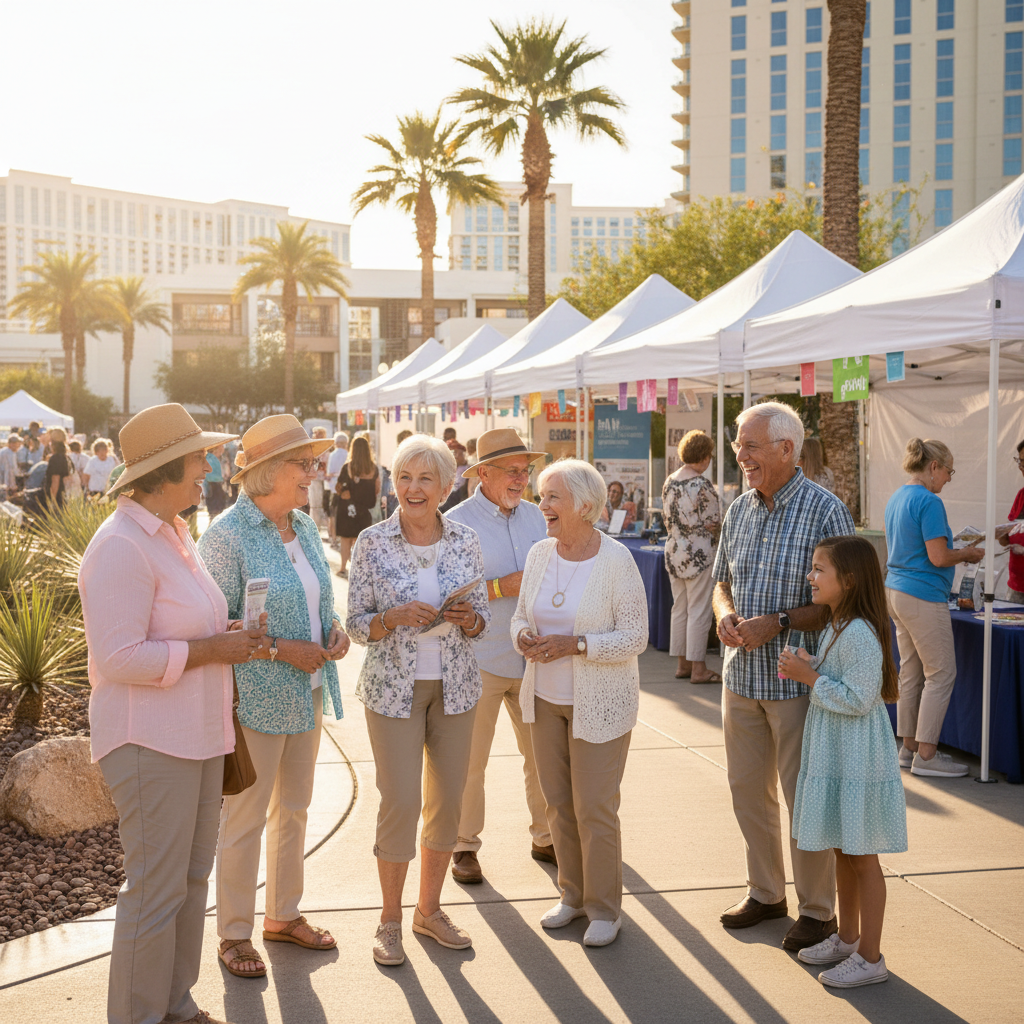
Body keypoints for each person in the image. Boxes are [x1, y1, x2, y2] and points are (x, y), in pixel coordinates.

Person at [78, 403, 259, 1024]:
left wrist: (225, 632)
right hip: (150, 743)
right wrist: (212, 648)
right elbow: (119, 656)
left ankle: (175, 1005)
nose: (210, 465)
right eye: (199, 457)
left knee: (188, 886)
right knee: (155, 893)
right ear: (163, 472)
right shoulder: (121, 545)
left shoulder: (173, 533)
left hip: (200, 738)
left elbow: (182, 627)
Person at [198, 414, 349, 979]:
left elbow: (318, 599)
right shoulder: (225, 537)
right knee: (245, 817)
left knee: (295, 809)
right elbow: (218, 630)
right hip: (255, 696)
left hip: (307, 690)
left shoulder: (305, 527)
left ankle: (283, 915)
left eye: (314, 462)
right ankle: (234, 934)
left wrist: (332, 629)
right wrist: (281, 649)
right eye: (304, 463)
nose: (315, 471)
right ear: (265, 472)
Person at [712, 401, 855, 951]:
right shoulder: (740, 509)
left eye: (749, 445)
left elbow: (845, 597)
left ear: (786, 449)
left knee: (805, 799)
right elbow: (722, 580)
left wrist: (781, 622)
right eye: (737, 446)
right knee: (748, 792)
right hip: (740, 677)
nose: (740, 456)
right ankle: (766, 892)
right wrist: (726, 615)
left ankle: (818, 912)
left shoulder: (825, 511)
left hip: (797, 681)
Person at [345, 434, 489, 967]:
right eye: (404, 477)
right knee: (401, 800)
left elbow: (481, 616)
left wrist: (469, 619)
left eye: (425, 478)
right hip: (392, 691)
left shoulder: (466, 539)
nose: (412, 488)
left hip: (456, 687)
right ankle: (389, 921)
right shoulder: (372, 542)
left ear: (447, 486)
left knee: (447, 803)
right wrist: (390, 619)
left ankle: (429, 911)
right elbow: (355, 623)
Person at [512, 459, 648, 948]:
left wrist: (578, 645)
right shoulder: (540, 554)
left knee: (594, 807)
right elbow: (521, 617)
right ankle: (572, 896)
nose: (541, 505)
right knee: (558, 804)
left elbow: (636, 636)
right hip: (545, 698)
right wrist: (524, 636)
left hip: (601, 703)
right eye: (541, 496)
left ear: (584, 506)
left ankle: (605, 909)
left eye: (552, 497)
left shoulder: (615, 561)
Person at [779, 535, 906, 988]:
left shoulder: (860, 633)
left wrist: (809, 675)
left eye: (818, 570)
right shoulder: (838, 625)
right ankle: (848, 938)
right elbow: (843, 680)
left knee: (861, 856)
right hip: (838, 753)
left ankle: (870, 958)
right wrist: (811, 663)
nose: (809, 577)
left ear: (848, 581)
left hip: (856, 758)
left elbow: (858, 698)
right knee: (842, 848)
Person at [445, 428, 552, 884]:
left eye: (525, 471)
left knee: (543, 757)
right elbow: (447, 595)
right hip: (480, 657)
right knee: (471, 761)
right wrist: (499, 587)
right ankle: (464, 845)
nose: (521, 479)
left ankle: (547, 836)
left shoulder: (540, 517)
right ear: (482, 473)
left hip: (535, 659)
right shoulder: (454, 523)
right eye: (511, 471)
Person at [884, 437, 983, 778]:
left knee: (911, 672)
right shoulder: (928, 502)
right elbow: (938, 557)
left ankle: (909, 747)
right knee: (941, 674)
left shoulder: (898, 496)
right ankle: (926, 755)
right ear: (934, 467)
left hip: (896, 591)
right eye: (949, 471)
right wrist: (967, 554)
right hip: (922, 594)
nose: (949, 479)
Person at [662, 429, 722, 682]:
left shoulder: (670, 480)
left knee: (680, 608)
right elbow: (714, 521)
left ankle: (682, 665)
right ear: (705, 457)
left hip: (674, 551)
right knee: (699, 610)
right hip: (699, 553)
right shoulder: (701, 484)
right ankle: (699, 668)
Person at [335, 434, 379, 578]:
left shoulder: (348, 467)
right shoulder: (374, 469)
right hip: (364, 510)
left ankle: (343, 567)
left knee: (346, 539)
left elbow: (338, 487)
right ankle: (360, 569)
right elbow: (377, 489)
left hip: (347, 509)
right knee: (361, 540)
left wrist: (345, 491)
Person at [999, 438, 1024, 603]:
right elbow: (1008, 537)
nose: (1020, 466)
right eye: (1019, 460)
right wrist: (1001, 535)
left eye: (1023, 461)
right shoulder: (1021, 494)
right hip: (1016, 584)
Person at [324, 431, 349, 548]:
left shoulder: (332, 455)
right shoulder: (348, 454)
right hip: (346, 490)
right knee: (346, 515)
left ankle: (333, 539)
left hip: (334, 489)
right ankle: (344, 539)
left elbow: (329, 474)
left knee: (333, 515)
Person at [439, 439, 470, 512]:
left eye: (459, 453)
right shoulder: (441, 469)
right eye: (453, 453)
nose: (456, 456)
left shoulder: (469, 470)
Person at [44, 432, 71, 509]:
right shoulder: (65, 457)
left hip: (57, 497)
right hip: (64, 494)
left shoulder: (55, 458)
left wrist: (52, 500)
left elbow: (55, 479)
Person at [204, 443, 227, 520]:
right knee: (214, 513)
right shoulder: (210, 458)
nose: (223, 448)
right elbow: (208, 476)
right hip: (213, 488)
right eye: (222, 446)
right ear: (217, 448)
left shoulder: (219, 458)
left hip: (216, 488)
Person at [0, 433, 21, 499]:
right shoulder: (11, 454)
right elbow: (12, 471)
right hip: (5, 484)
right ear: (12, 444)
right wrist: (13, 486)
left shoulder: (2, 451)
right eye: (18, 443)